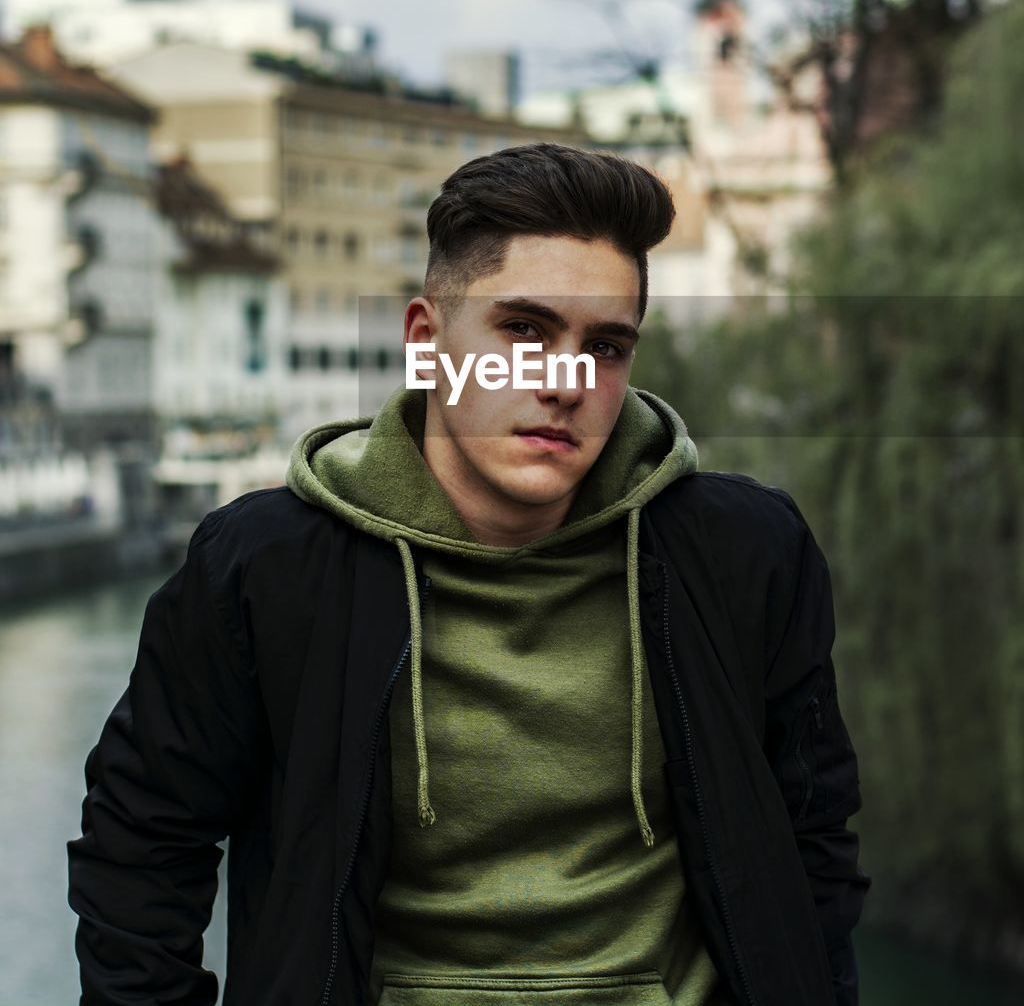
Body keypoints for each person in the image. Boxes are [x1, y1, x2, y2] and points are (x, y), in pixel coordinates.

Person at [68, 142, 871, 1006]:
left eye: (604, 347)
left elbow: (813, 844)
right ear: (426, 342)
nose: (565, 382)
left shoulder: (746, 555)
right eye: (523, 329)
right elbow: (141, 848)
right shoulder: (265, 572)